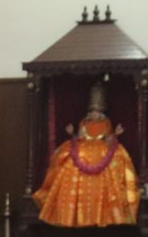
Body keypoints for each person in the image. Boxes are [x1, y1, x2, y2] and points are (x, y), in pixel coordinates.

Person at [33, 82, 140, 227]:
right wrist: (72, 133)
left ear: (101, 111)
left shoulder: (106, 122)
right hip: (82, 148)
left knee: (115, 158)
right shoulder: (84, 122)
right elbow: (80, 137)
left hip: (102, 149)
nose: (94, 113)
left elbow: (108, 139)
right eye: (92, 111)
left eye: (97, 111)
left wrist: (115, 134)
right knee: (69, 157)